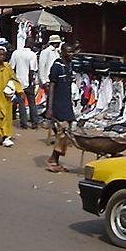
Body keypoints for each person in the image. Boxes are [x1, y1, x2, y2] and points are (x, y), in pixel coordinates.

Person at [46, 43, 75, 172]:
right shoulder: (56, 66)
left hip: (67, 104)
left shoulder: (69, 66)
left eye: (72, 52)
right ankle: (52, 159)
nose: (71, 54)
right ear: (62, 52)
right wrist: (50, 108)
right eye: (68, 52)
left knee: (66, 134)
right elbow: (51, 87)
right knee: (61, 133)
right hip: (58, 104)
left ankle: (56, 160)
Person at [0, 46, 22, 146]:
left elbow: (14, 79)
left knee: (7, 116)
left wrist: (19, 91)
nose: (1, 57)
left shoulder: (7, 67)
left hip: (6, 97)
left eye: (3, 55)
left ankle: (6, 136)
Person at [9, 37, 39, 129]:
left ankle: (24, 123)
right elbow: (32, 70)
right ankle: (34, 122)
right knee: (32, 103)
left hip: (18, 82)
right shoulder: (32, 55)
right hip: (28, 82)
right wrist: (31, 84)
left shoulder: (16, 53)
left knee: (21, 104)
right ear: (31, 44)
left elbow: (12, 68)